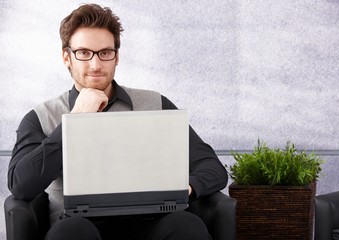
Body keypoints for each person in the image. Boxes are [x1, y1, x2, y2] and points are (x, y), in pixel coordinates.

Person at [7, 3, 228, 240]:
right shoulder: (42, 116)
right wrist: (76, 119)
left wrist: (188, 187)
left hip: (150, 223)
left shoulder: (155, 103)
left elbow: (212, 168)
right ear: (66, 57)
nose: (95, 64)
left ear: (116, 56)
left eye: (105, 53)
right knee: (72, 232)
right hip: (76, 225)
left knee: (187, 225)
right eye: (83, 53)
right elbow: (21, 185)